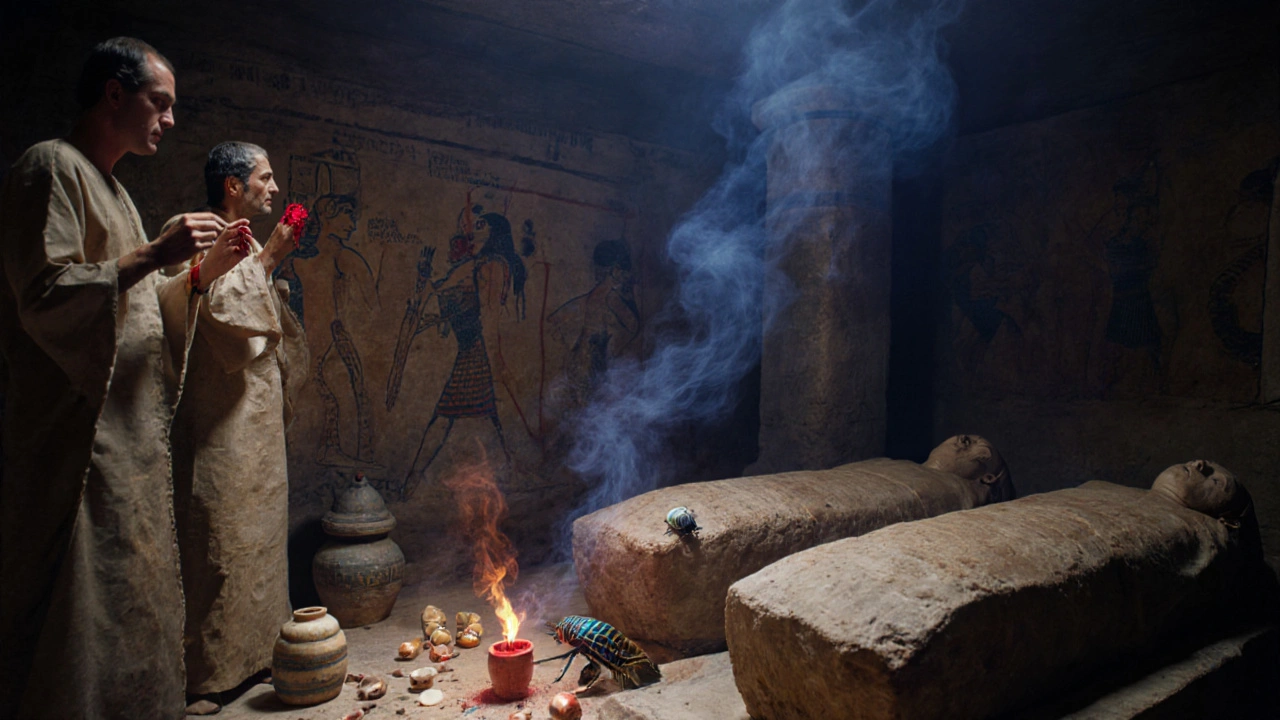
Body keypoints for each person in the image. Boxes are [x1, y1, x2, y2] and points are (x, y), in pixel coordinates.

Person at [0, 38, 251, 718]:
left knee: (126, 608)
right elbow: (44, 295)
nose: (169, 120)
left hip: (129, 441)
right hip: (78, 442)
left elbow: (144, 309)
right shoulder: (52, 167)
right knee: (76, 616)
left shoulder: (115, 191)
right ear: (114, 93)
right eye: (159, 103)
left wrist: (201, 273)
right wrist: (152, 254)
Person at [162, 142, 307, 710]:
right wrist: (268, 260)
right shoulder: (193, 232)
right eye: (264, 179)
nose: (273, 189)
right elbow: (215, 316)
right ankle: (207, 675)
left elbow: (262, 321)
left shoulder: (247, 241)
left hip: (258, 418)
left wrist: (270, 269)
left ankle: (262, 658)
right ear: (232, 185)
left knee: (261, 542)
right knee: (216, 543)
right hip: (217, 414)